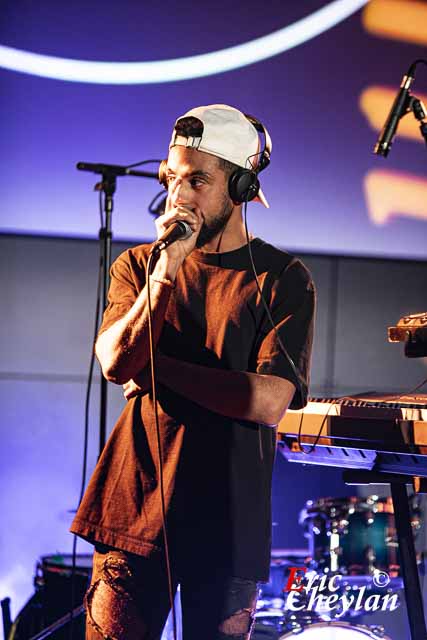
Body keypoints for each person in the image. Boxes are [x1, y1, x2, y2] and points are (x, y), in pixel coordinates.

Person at [71, 104, 315, 640]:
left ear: (244, 186)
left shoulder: (282, 278)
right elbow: (115, 361)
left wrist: (155, 370)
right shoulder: (139, 266)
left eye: (198, 180)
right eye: (173, 178)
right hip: (133, 507)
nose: (179, 196)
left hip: (228, 519)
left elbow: (268, 402)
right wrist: (168, 268)